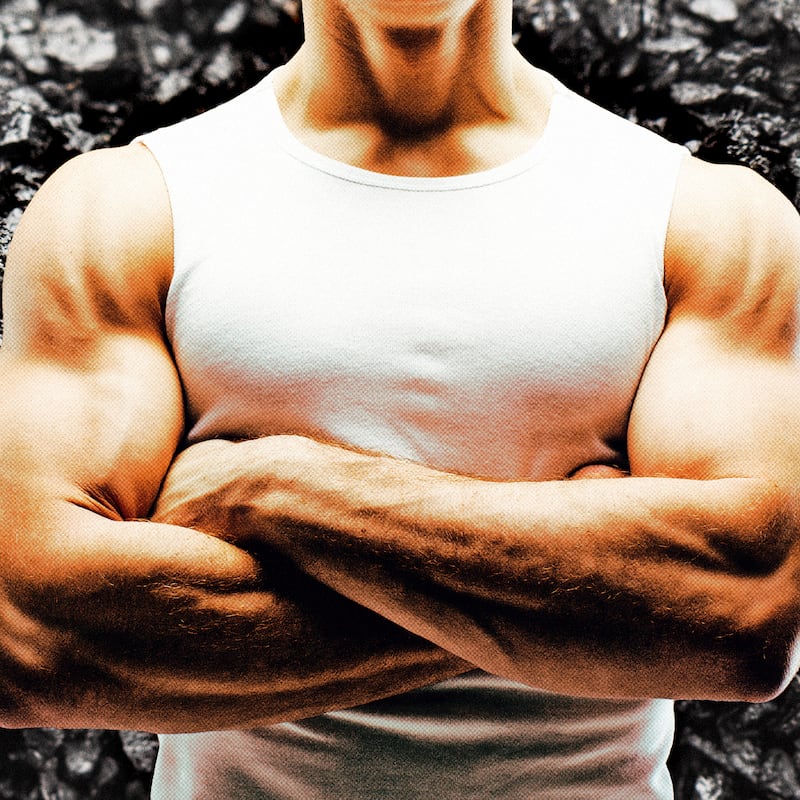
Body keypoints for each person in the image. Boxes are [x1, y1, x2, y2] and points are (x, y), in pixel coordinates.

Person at [2, 0, 800, 794]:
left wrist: (274, 493)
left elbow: (744, 619)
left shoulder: (705, 220)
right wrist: (597, 595)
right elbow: (32, 641)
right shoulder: (125, 211)